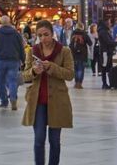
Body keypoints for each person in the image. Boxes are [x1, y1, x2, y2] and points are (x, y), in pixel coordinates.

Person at [22, 21, 73, 165]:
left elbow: (70, 74)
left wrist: (52, 67)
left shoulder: (64, 51)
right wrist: (33, 71)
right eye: (39, 35)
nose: (43, 38)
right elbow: (24, 75)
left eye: (46, 34)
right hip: (37, 101)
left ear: (52, 33)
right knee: (39, 140)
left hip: (58, 100)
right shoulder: (32, 51)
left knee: (55, 141)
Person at [0, 15, 26, 110]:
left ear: (1, 23)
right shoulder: (16, 33)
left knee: (1, 82)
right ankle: (13, 99)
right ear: (9, 22)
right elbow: (21, 47)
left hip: (0, 60)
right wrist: (23, 59)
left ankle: (4, 101)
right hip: (13, 60)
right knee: (12, 81)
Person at [68, 23, 92, 89]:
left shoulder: (73, 33)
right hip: (82, 54)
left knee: (75, 69)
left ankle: (76, 83)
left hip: (74, 53)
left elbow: (70, 43)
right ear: (82, 27)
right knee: (81, 69)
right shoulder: (84, 34)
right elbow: (90, 43)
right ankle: (79, 83)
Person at [97, 20, 116, 89]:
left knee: (107, 67)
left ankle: (108, 83)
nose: (110, 24)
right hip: (105, 52)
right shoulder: (103, 32)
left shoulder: (104, 31)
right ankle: (104, 84)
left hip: (106, 51)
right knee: (104, 68)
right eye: (109, 23)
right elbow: (108, 42)